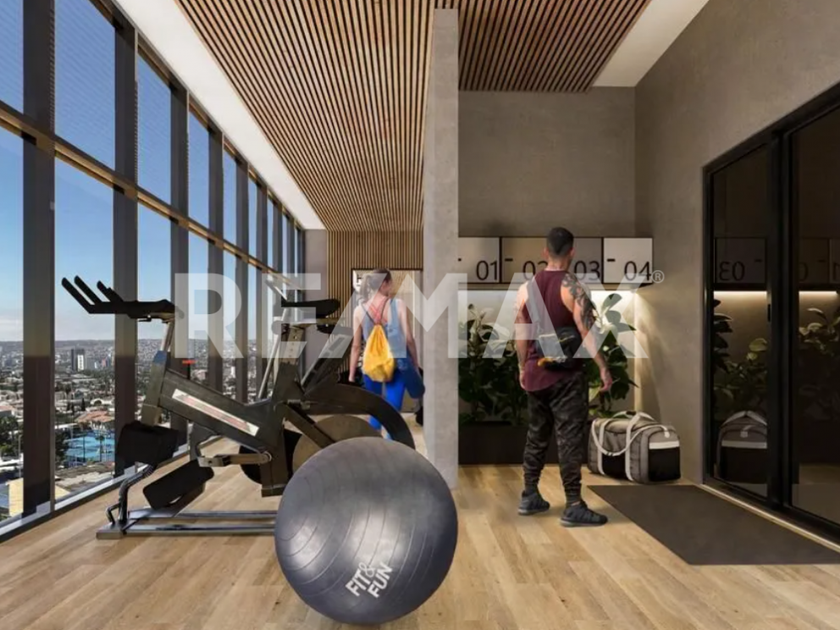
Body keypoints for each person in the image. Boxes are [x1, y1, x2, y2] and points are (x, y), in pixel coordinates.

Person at [514, 227, 613, 527]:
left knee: (536, 435)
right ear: (572, 252)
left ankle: (529, 495)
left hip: (536, 373)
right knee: (569, 439)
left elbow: (521, 334)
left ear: (545, 252)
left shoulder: (526, 289)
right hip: (566, 377)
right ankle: (573, 505)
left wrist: (522, 367)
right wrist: (603, 367)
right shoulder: (574, 288)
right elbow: (586, 332)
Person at [349, 269, 421, 435]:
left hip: (371, 364)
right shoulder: (398, 305)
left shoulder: (359, 310)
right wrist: (415, 362)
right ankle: (390, 445)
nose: (392, 287)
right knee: (392, 410)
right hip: (398, 362)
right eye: (391, 283)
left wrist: (352, 374)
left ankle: (374, 445)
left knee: (375, 408)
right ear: (385, 284)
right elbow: (409, 339)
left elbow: (356, 346)